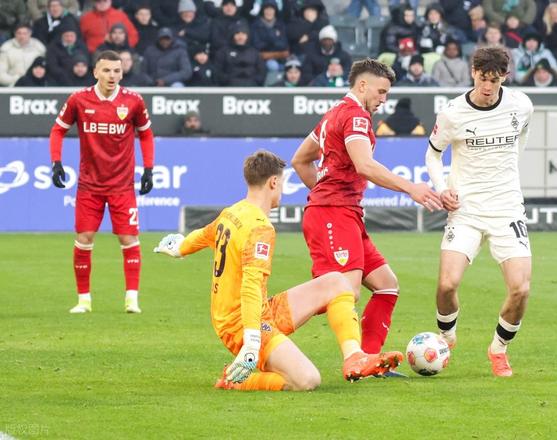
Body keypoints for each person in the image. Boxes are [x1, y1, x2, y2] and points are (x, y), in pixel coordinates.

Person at [154, 150, 403, 390]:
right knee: (307, 380)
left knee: (337, 282)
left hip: (259, 311)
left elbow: (204, 234)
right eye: (282, 184)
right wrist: (252, 343)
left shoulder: (233, 212)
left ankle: (354, 357)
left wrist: (179, 248)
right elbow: (250, 287)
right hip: (242, 325)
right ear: (273, 182)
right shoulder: (260, 228)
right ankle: (234, 380)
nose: (282, 190)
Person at [291, 59, 443, 357]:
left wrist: (324, 192)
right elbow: (365, 165)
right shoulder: (356, 116)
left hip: (341, 211)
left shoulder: (333, 114)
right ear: (362, 85)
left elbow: (300, 159)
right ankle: (268, 321)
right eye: (381, 92)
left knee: (386, 285)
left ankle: (369, 359)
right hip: (334, 213)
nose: (384, 99)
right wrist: (411, 187)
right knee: (345, 291)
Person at [425, 46, 534, 377]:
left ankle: (499, 349)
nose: (488, 87)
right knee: (447, 284)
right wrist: (442, 187)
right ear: (473, 73)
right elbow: (433, 154)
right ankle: (446, 336)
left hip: (507, 209)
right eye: (483, 78)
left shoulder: (521, 105)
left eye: (495, 80)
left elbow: (522, 137)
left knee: (521, 288)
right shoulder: (452, 113)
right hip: (466, 210)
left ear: (505, 77)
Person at [49, 50, 155, 314]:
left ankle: (132, 299)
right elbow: (58, 130)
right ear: (95, 72)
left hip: (122, 186)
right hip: (89, 186)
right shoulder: (78, 99)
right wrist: (56, 162)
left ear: (122, 72)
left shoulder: (133, 101)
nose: (112, 75)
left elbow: (146, 134)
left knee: (128, 238)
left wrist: (149, 168)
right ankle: (83, 300)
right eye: (106, 70)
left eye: (117, 70)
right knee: (84, 238)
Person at [0, 23, 46, 87]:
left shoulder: (39, 47)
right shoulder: (6, 48)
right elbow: (1, 74)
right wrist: (19, 81)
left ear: (30, 33)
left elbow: (46, 70)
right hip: (14, 87)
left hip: (36, 86)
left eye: (25, 33)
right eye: (19, 33)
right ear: (15, 34)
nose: (22, 36)